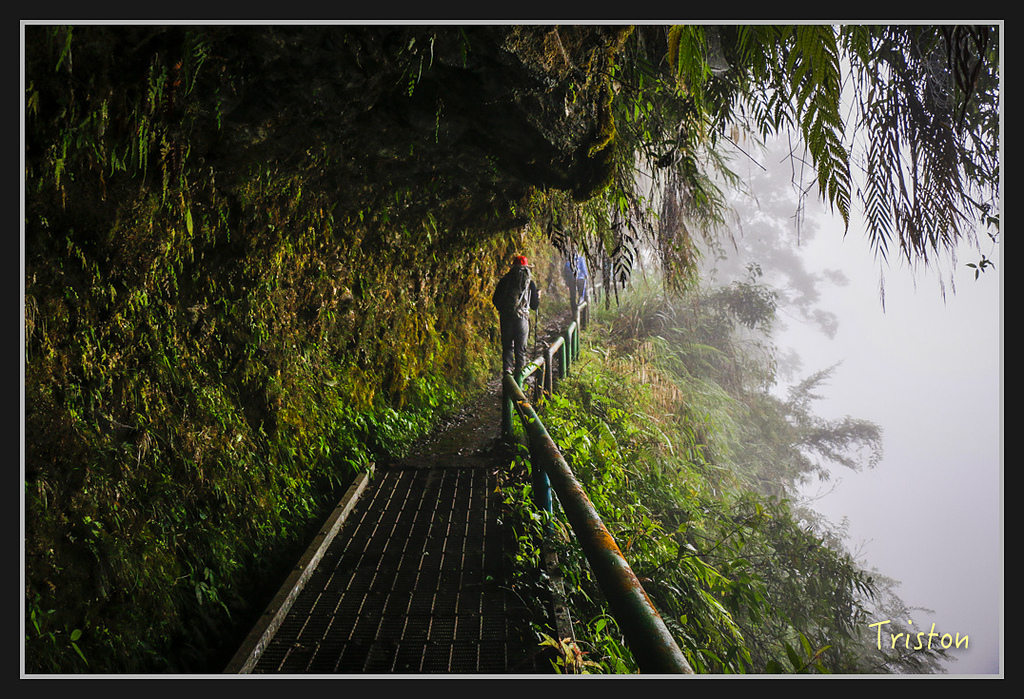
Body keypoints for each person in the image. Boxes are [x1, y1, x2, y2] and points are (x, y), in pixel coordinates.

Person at [492, 255, 540, 377]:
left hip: (506, 318)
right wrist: (537, 297)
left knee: (508, 347)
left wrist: (504, 309)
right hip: (522, 319)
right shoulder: (530, 284)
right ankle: (519, 382)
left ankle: (507, 376)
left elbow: (495, 300)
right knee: (520, 351)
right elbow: (534, 305)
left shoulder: (505, 280)